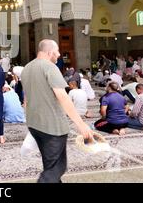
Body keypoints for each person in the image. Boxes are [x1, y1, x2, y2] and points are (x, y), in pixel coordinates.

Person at [21, 39, 92, 183]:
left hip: (35, 124)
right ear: (50, 52)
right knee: (57, 168)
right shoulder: (50, 67)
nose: (59, 55)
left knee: (50, 165)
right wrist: (81, 124)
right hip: (52, 127)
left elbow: (26, 98)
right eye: (57, 51)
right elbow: (63, 97)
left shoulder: (27, 68)